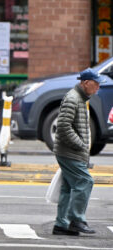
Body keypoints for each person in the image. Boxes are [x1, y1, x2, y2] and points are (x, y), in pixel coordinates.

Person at [52, 68, 105, 236]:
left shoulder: (80, 98)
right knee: (85, 181)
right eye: (96, 85)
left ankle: (61, 224)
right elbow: (63, 126)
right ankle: (76, 220)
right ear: (85, 83)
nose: (98, 88)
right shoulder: (73, 99)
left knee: (69, 187)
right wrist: (80, 144)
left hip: (70, 151)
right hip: (69, 151)